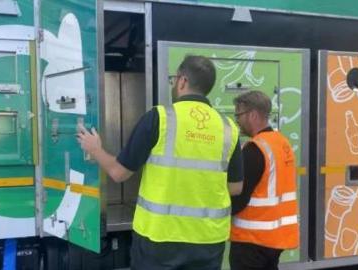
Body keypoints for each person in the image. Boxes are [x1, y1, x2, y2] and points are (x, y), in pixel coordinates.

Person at [77, 55, 243, 270]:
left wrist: (95, 149)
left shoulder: (160, 118)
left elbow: (119, 173)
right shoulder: (228, 128)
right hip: (208, 240)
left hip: (160, 239)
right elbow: (235, 187)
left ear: (182, 80)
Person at [229, 91, 298, 270]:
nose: (237, 120)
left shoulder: (254, 149)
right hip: (274, 239)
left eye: (239, 114)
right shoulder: (282, 143)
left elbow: (238, 199)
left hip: (251, 241)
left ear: (252, 115)